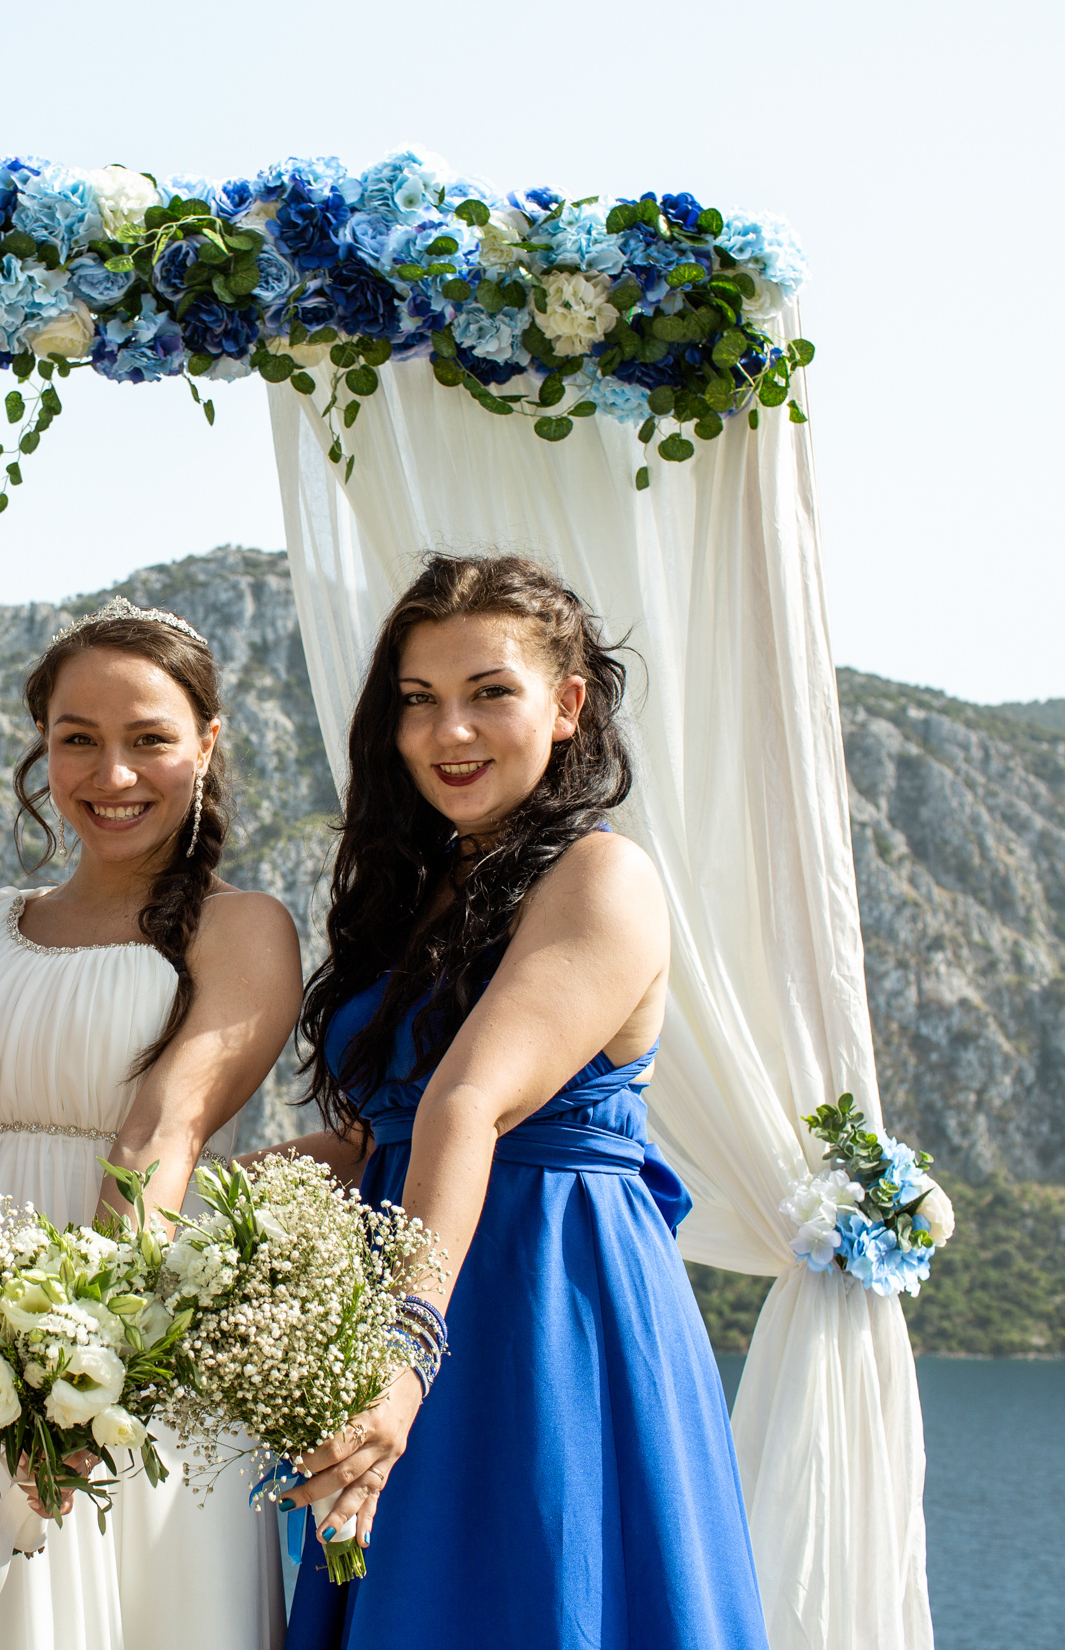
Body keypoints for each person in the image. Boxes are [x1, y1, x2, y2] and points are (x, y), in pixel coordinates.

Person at [274, 553, 765, 1649]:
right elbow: (376, 1141)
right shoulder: (415, 893)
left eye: (488, 692)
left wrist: (401, 1355)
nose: (448, 732)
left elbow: (464, 1103)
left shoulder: (601, 876)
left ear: (566, 701)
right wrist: (176, 1215)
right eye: (417, 701)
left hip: (544, 1304)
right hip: (411, 1268)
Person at [0, 599, 299, 1650]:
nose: (111, 773)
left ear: (207, 744)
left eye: (148, 739)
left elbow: (161, 1131)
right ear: (42, 749)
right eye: (77, 739)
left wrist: (80, 1370)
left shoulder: (242, 925)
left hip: (118, 1332)